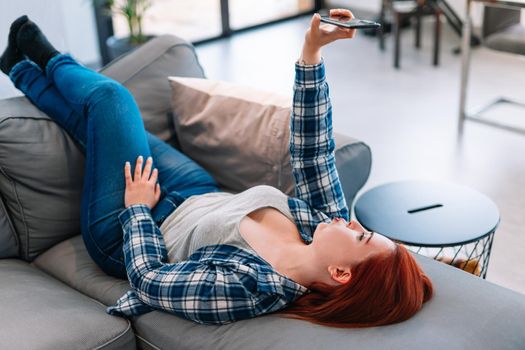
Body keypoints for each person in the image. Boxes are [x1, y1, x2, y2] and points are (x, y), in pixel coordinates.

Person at [1, 9, 432, 327]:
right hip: (194, 188)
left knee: (111, 103)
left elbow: (151, 280)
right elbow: (313, 152)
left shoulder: (251, 289)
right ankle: (23, 71)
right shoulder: (320, 222)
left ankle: (48, 63)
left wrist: (135, 209)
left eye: (358, 235)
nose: (347, 220)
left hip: (130, 228)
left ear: (340, 273)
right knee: (101, 125)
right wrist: (311, 53)